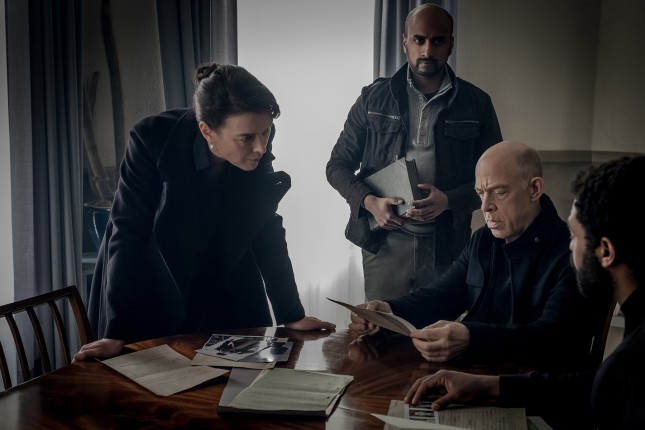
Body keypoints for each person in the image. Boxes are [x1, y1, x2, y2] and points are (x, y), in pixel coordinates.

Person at [74, 63, 335, 361]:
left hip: (224, 276)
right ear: (207, 130)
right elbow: (127, 233)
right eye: (246, 138)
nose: (261, 148)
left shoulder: (255, 144)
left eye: (266, 132)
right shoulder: (151, 138)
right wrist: (115, 331)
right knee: (161, 380)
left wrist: (292, 314)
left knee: (248, 374)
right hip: (156, 280)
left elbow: (266, 227)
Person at [404, 155, 645, 429]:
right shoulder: (627, 359)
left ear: (606, 251)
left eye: (575, 237)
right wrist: (487, 386)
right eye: (480, 193)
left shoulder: (629, 360)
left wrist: (473, 341)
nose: (571, 246)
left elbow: (579, 364)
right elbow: (596, 384)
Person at [348, 141, 603, 371]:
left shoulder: (572, 252)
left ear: (534, 189)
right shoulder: (483, 239)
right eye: (481, 193)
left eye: (499, 192)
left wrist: (471, 337)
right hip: (468, 372)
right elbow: (443, 296)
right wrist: (388, 310)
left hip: (528, 389)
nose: (485, 206)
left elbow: (552, 338)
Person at [326, 3, 502, 301]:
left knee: (438, 327)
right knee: (383, 326)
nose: (427, 50)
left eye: (437, 41)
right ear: (405, 41)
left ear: (451, 45)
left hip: (447, 246)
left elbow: (495, 182)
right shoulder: (372, 98)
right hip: (385, 243)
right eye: (419, 40)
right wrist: (370, 202)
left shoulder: (477, 103)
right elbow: (337, 166)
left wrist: (449, 201)